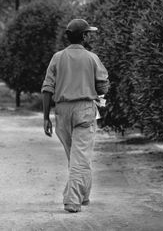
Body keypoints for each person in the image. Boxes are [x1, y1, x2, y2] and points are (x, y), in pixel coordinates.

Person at [41, 19, 109, 213]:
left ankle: (84, 195)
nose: (90, 37)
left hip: (62, 112)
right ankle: (73, 201)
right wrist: (97, 89)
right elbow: (103, 86)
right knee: (80, 157)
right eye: (89, 34)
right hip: (85, 110)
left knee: (76, 157)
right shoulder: (92, 58)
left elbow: (47, 89)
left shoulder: (57, 57)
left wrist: (46, 118)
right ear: (84, 36)